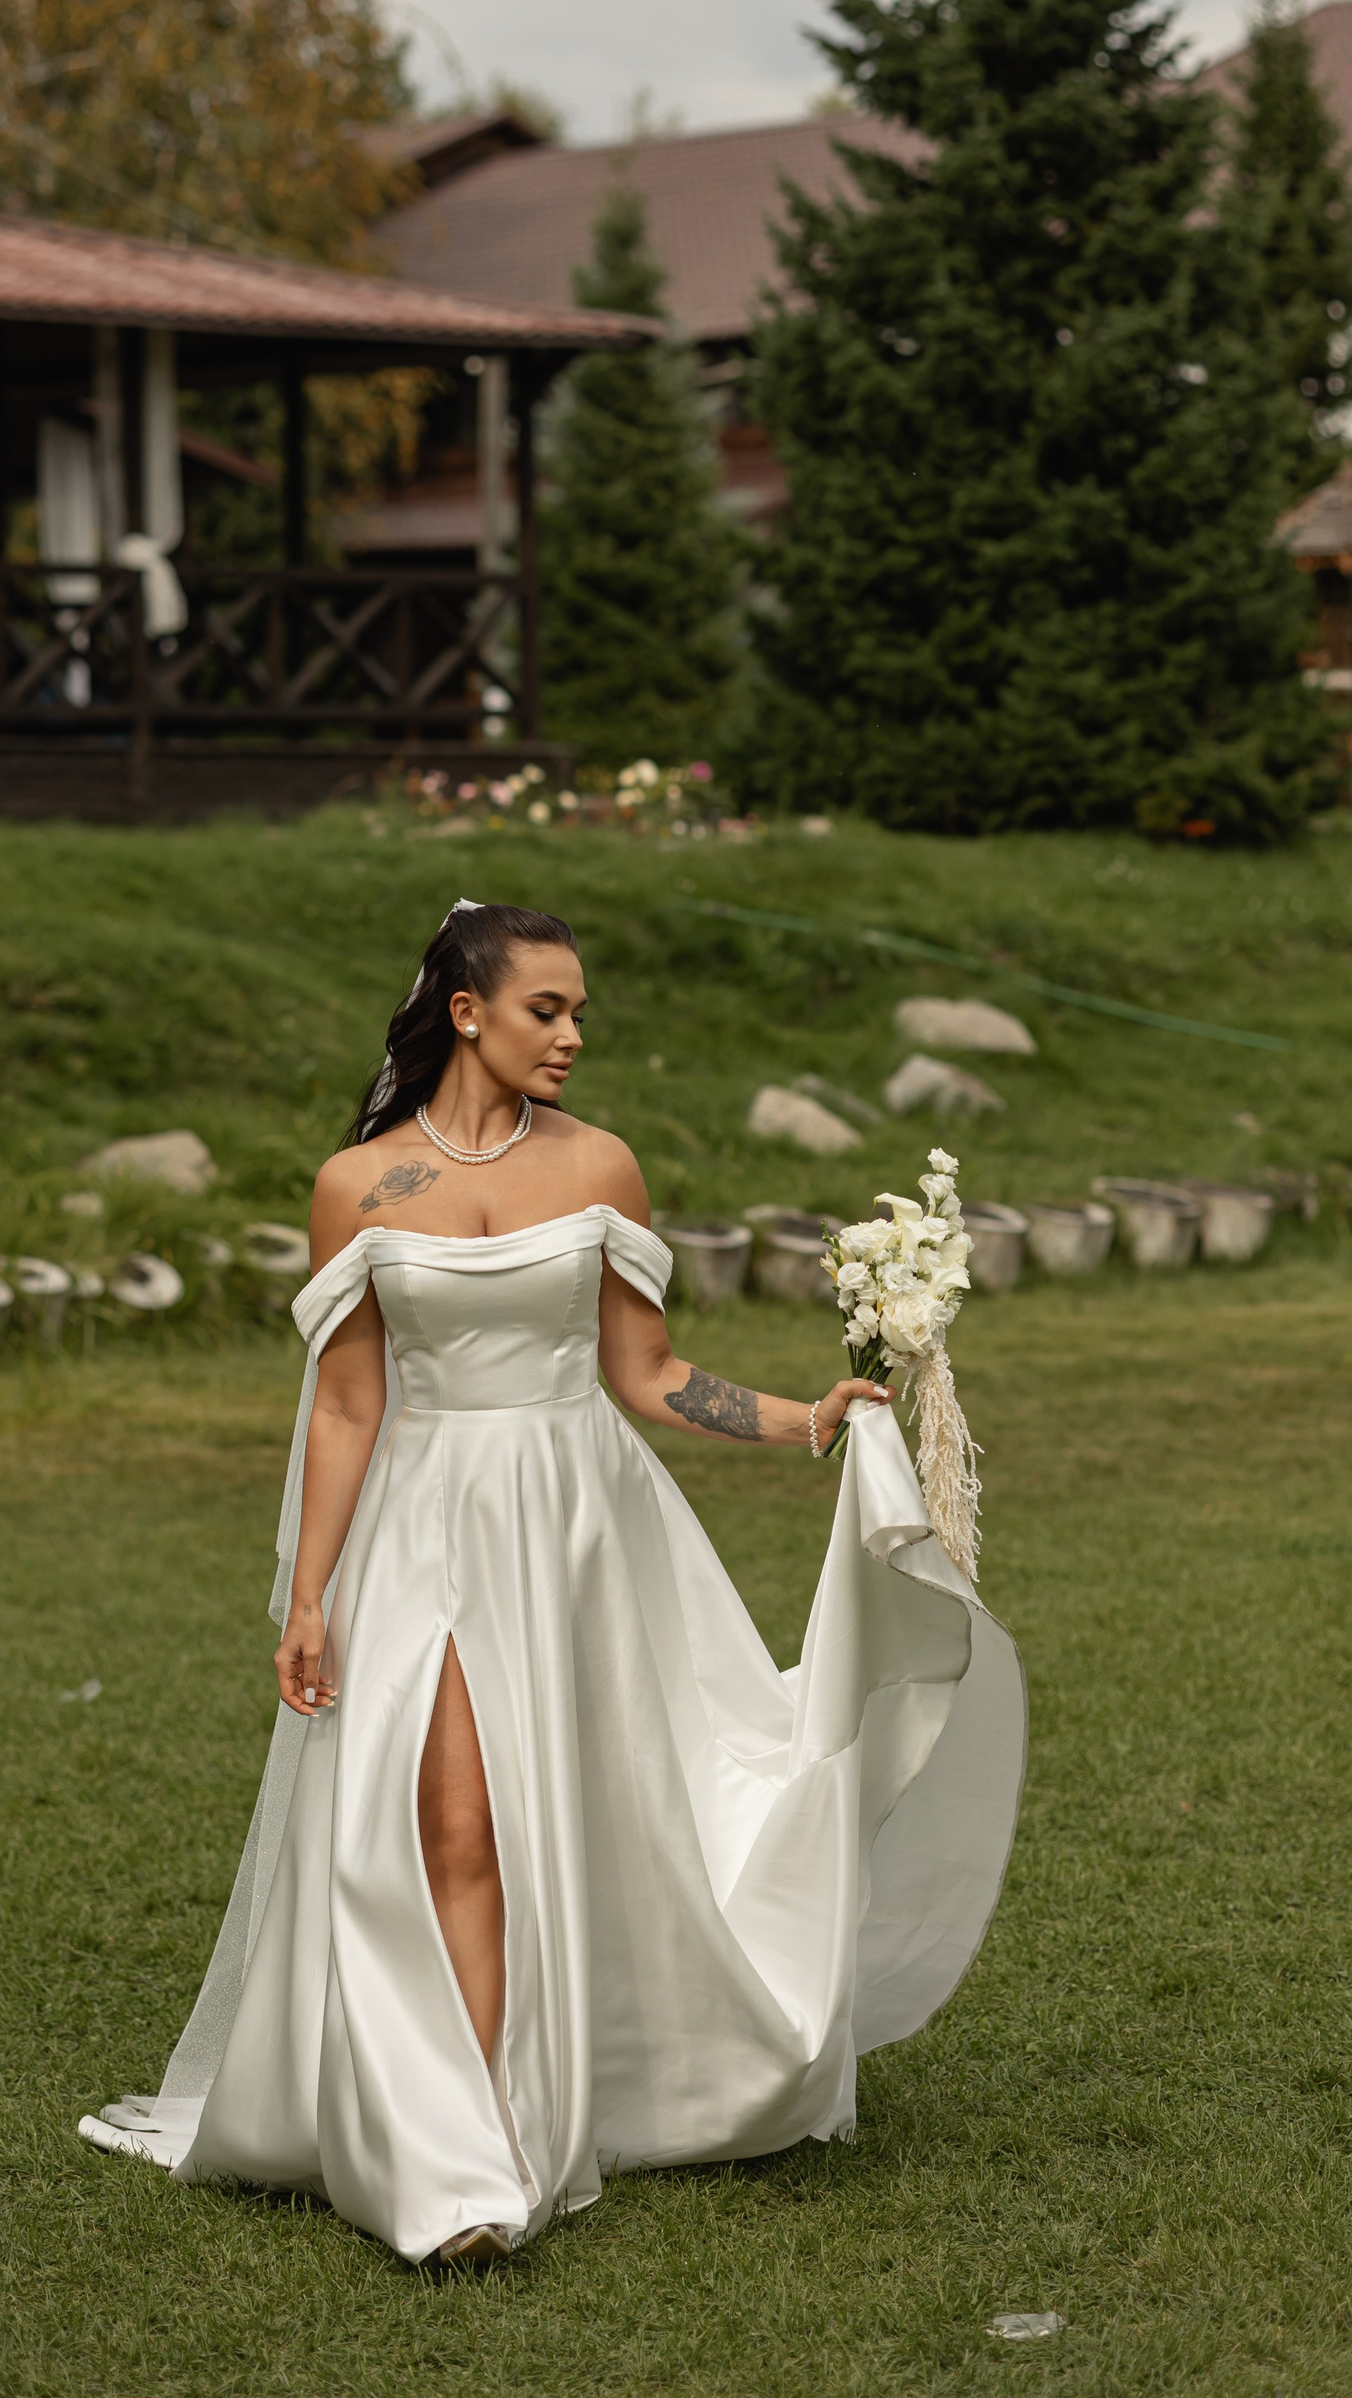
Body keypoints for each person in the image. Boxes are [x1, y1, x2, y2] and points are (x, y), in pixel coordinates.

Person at [81, 899, 1024, 2266]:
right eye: (547, 1009)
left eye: (581, 1012)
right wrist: (310, 1595)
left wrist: (802, 1418)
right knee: (448, 1826)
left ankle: (524, 2113)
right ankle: (465, 2161)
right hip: (421, 1526)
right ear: (466, 1013)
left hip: (575, 1524)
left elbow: (645, 1371)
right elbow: (345, 1406)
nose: (573, 1035)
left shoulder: (599, 1167)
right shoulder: (358, 1187)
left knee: (583, 1819)